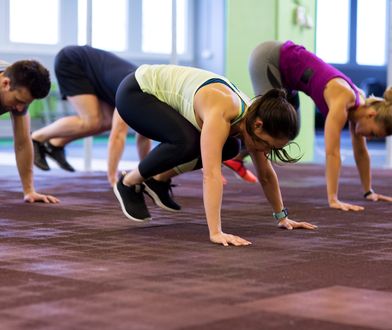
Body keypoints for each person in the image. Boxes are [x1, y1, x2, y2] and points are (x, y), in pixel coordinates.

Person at [113, 64, 317, 247]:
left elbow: (265, 174)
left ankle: (158, 180)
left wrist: (282, 217)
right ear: (258, 125)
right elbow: (210, 174)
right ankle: (128, 182)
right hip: (136, 93)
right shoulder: (224, 110)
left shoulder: (255, 118)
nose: (265, 152)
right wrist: (216, 232)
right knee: (187, 142)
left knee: (230, 148)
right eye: (267, 145)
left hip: (155, 97)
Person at [248, 40, 392, 211]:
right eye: (374, 134)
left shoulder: (359, 106)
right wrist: (333, 199)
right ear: (371, 114)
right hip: (269, 59)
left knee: (289, 131)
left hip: (287, 78)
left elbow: (361, 152)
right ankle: (235, 149)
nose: (368, 137)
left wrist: (369, 192)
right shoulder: (344, 99)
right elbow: (332, 152)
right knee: (272, 126)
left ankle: (237, 155)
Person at [31, 45, 151, 175]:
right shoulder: (136, 94)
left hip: (96, 73)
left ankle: (54, 145)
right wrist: (112, 177)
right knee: (92, 121)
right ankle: (35, 138)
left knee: (107, 122)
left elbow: (145, 135)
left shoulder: (147, 98)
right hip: (73, 61)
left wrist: (148, 173)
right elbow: (118, 135)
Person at [0, 59, 59, 204]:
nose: (20, 108)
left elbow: (22, 142)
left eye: (26, 103)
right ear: (5, 84)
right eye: (18, 100)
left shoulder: (19, 86)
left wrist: (29, 190)